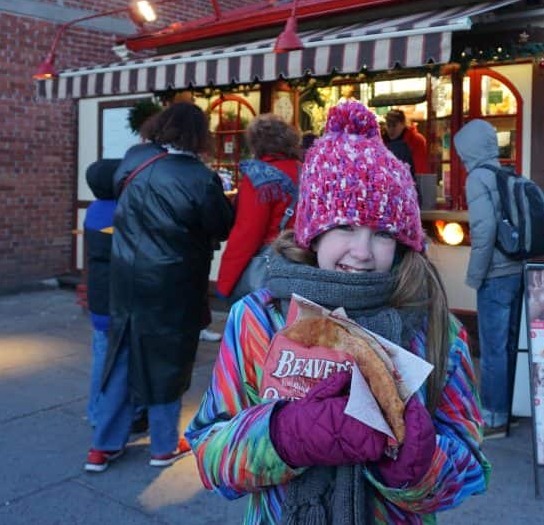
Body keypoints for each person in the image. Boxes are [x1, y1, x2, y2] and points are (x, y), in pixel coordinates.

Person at [185, 101, 489, 523]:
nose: (362, 252)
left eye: (383, 234)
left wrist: (417, 465)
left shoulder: (436, 327)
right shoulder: (259, 317)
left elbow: (471, 467)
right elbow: (210, 453)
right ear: (313, 230)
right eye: (345, 226)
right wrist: (284, 435)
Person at [85, 103, 235, 473]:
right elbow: (221, 227)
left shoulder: (134, 160)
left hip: (126, 277)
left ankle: (103, 446)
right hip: (174, 282)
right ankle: (164, 445)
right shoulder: (201, 178)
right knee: (168, 361)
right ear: (200, 135)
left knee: (119, 357)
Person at [454, 118, 525, 439]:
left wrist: (475, 275)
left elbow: (483, 231)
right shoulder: (506, 173)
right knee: (510, 345)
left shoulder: (477, 178)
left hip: (495, 274)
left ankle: (494, 417)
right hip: (516, 269)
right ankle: (511, 408)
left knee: (493, 348)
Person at [215, 114, 301, 304]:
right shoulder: (303, 170)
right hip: (303, 263)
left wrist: (225, 284)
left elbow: (247, 233)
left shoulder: (259, 177)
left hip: (272, 265)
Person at [81, 158, 121, 428]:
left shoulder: (94, 210)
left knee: (100, 355)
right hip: (116, 298)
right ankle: (104, 414)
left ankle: (95, 411)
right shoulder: (119, 213)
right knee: (115, 362)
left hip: (98, 296)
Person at [384, 108, 430, 175]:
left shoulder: (417, 141)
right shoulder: (382, 142)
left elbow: (421, 170)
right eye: (388, 125)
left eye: (394, 125)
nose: (391, 129)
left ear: (403, 124)